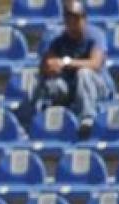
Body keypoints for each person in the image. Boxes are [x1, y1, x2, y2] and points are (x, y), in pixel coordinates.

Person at [24, 0, 113, 139]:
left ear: (84, 18)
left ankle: (87, 119)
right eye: (70, 19)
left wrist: (66, 62)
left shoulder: (95, 35)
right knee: (51, 81)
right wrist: (49, 67)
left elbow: (95, 63)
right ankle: (41, 117)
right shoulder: (59, 40)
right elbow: (46, 63)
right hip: (70, 88)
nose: (74, 24)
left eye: (77, 19)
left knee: (84, 73)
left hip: (96, 86)